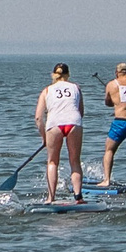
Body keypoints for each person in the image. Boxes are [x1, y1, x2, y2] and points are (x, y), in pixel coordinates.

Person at [34, 64, 84, 203]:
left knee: (52, 162)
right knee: (74, 161)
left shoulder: (47, 90)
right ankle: (78, 197)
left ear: (53, 75)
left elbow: (38, 118)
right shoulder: (76, 88)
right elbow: (81, 112)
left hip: (54, 124)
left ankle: (51, 198)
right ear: (68, 75)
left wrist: (44, 138)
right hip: (74, 122)